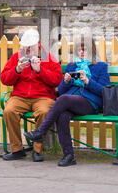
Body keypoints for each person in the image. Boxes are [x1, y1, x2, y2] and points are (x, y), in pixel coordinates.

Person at [24, 35, 110, 166]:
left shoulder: (101, 66)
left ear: (92, 51)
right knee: (62, 116)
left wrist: (88, 81)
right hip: (70, 101)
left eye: (84, 49)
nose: (81, 52)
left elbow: (104, 91)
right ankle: (69, 155)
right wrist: (65, 81)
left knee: (63, 100)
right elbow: (62, 91)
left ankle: (41, 132)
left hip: (90, 103)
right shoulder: (72, 66)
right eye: (79, 50)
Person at [0, 28, 63, 162]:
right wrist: (17, 70)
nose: (28, 49)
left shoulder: (50, 58)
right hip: (20, 96)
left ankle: (37, 150)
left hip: (43, 97)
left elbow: (57, 80)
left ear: (39, 43)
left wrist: (40, 70)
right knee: (9, 111)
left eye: (31, 46)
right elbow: (4, 78)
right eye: (26, 46)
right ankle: (17, 150)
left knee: (43, 112)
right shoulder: (17, 57)